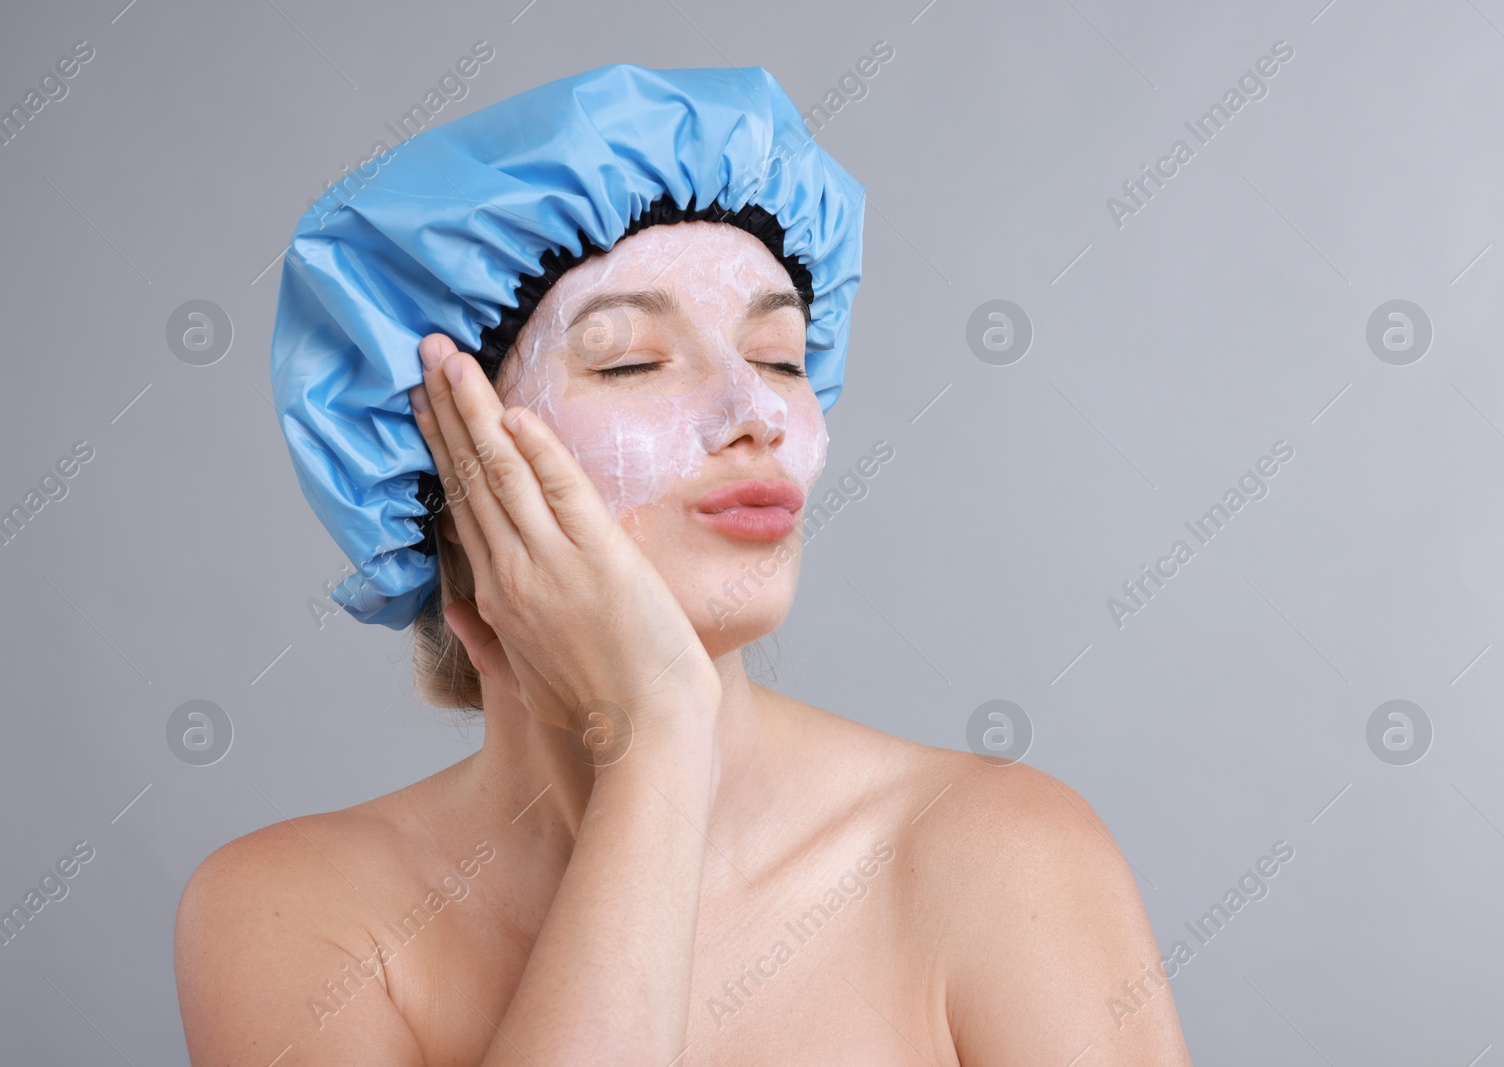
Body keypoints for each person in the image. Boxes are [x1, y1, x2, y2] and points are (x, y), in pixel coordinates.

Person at [173, 63, 1190, 1065]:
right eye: (629, 360)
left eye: (783, 355)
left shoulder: (1000, 858)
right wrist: (655, 745)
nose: (757, 414)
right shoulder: (294, 911)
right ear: (448, 466)